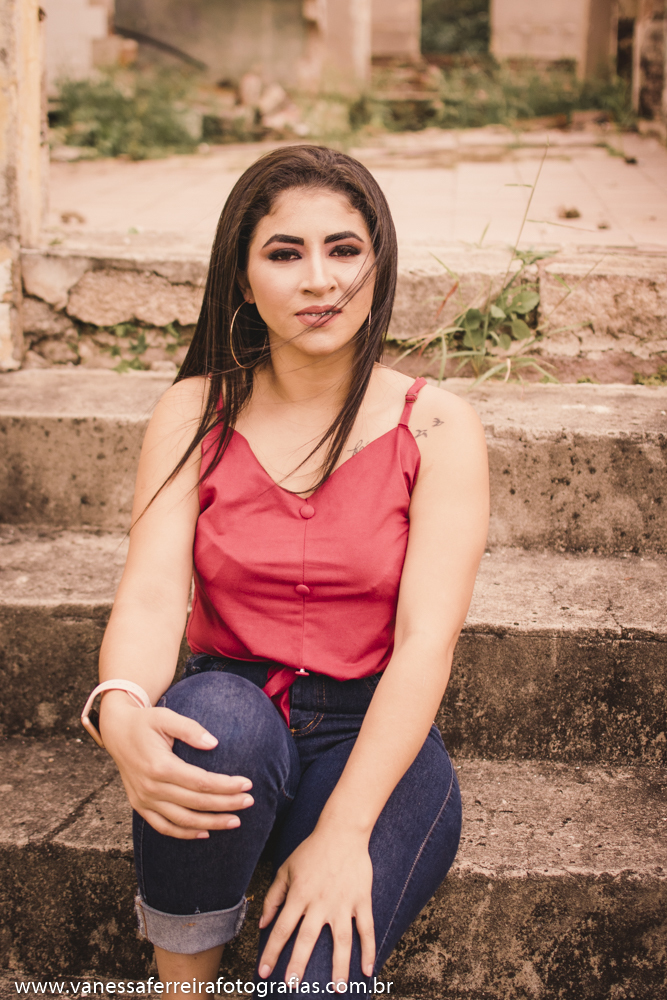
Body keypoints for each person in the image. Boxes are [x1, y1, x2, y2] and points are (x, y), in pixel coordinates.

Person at [85, 145, 489, 995]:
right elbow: (155, 592)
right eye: (283, 252)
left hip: (373, 737)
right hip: (233, 713)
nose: (319, 280)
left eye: (344, 249)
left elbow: (425, 643)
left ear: (377, 267)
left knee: (309, 981)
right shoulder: (195, 409)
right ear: (240, 278)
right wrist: (117, 705)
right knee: (207, 721)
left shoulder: (439, 427)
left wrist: (343, 834)